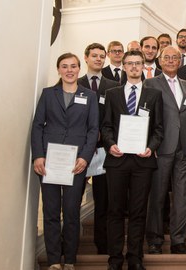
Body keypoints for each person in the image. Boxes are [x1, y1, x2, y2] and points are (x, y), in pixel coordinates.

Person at [31, 53, 99, 270]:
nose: (69, 70)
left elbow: (93, 129)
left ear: (79, 69)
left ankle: (69, 259)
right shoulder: (48, 94)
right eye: (64, 66)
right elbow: (37, 126)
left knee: (71, 212)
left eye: (73, 66)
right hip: (49, 162)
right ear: (58, 70)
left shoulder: (89, 95)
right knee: (51, 212)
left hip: (75, 163)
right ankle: (53, 261)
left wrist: (85, 157)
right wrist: (38, 155)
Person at [101, 50, 163, 270]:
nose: (134, 67)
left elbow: (158, 129)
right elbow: (106, 126)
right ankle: (115, 259)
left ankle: (135, 258)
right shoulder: (112, 93)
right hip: (117, 161)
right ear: (124, 66)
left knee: (138, 211)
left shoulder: (153, 95)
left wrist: (150, 147)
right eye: (130, 63)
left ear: (142, 66)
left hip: (142, 161)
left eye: (138, 63)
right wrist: (110, 144)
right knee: (115, 211)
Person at [145, 46, 186, 255]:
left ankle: (178, 240)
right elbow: (145, 117)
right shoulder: (149, 84)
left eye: (174, 57)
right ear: (160, 61)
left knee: (182, 197)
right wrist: (150, 146)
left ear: (180, 61)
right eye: (166, 57)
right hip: (160, 149)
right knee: (157, 196)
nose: (170, 60)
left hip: (185, 150)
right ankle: (155, 240)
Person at [77, 43, 120, 254]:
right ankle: (71, 245)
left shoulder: (113, 85)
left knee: (103, 200)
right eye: (94, 56)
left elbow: (115, 117)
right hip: (80, 150)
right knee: (73, 199)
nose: (98, 59)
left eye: (102, 56)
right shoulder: (75, 83)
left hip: (104, 150)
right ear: (86, 58)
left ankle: (102, 245)